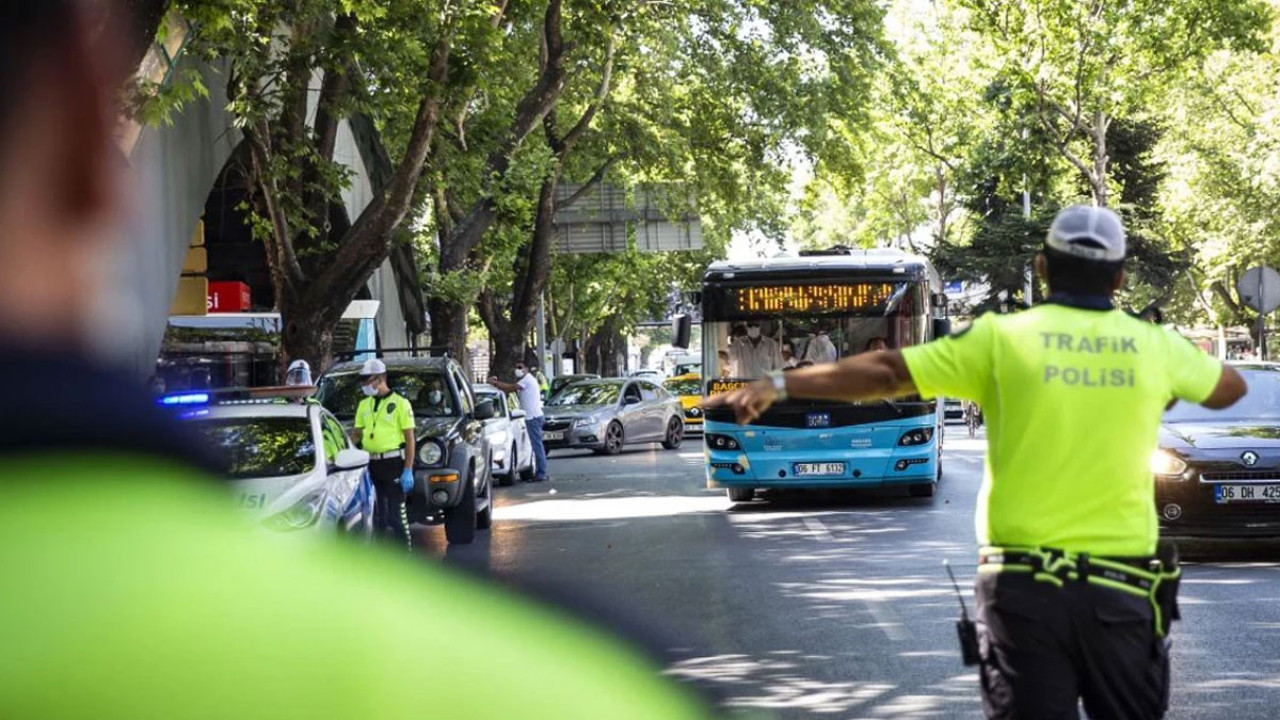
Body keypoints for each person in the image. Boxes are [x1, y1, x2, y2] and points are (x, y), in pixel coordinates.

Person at [0, 5, 712, 718]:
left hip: (386, 466)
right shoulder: (557, 682)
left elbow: (406, 433)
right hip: (370, 479)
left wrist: (400, 454)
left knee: (395, 518)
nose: (371, 382)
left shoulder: (393, 408)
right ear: (89, 134)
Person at [706, 205, 1246, 720]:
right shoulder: (1152, 346)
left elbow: (888, 372)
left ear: (1043, 267)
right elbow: (1229, 387)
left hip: (1023, 593)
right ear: (1120, 277)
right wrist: (1158, 386)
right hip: (1121, 591)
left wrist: (781, 384)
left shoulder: (1002, 339)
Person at [352, 359, 415, 549]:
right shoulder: (364, 404)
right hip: (370, 465)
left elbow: (410, 439)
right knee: (377, 516)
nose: (364, 384)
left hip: (393, 464)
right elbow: (357, 435)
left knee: (397, 516)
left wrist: (408, 469)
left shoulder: (400, 403)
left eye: (367, 380)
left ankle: (404, 554)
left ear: (380, 379)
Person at [489, 362, 548, 482]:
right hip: (533, 416)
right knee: (536, 445)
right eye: (516, 367)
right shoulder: (526, 380)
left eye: (520, 367)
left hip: (533, 417)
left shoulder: (527, 380)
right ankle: (540, 472)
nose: (518, 370)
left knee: (537, 446)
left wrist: (495, 383)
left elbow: (511, 388)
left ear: (527, 369)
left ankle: (541, 473)